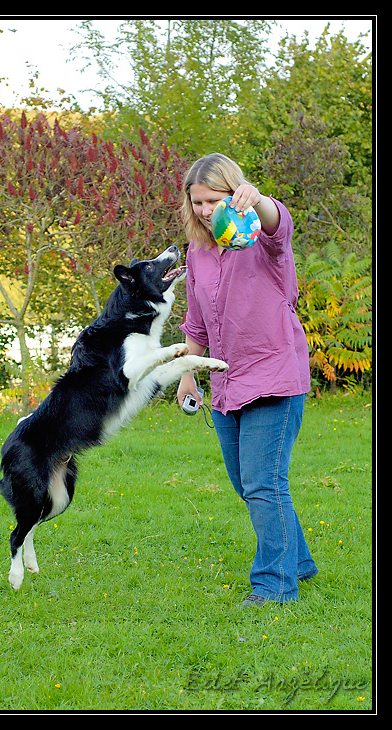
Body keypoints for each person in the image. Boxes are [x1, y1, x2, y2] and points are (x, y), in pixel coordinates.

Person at [177, 152, 318, 607]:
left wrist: (258, 202)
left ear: (233, 193)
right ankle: (297, 561)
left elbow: (280, 224)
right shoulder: (198, 252)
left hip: (275, 372)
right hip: (226, 381)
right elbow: (196, 322)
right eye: (196, 201)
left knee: (264, 484)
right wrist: (186, 375)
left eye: (212, 199)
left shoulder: (260, 236)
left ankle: (275, 587)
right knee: (249, 484)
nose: (203, 210)